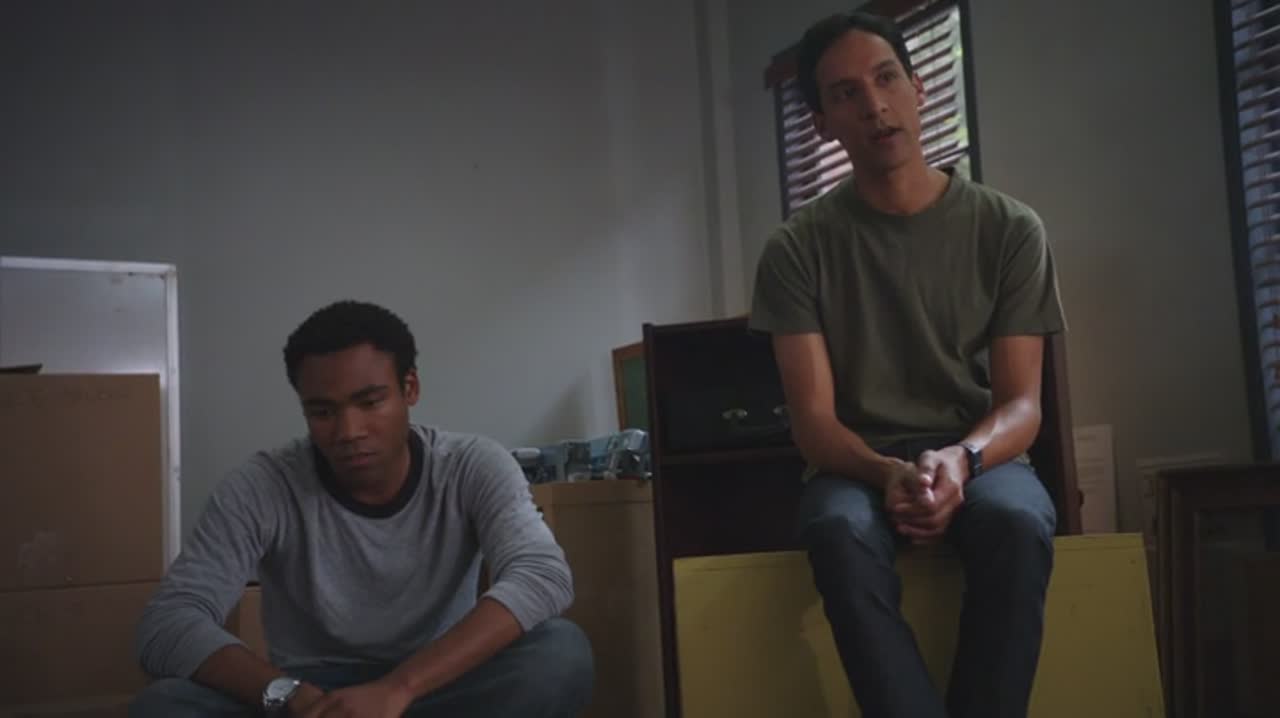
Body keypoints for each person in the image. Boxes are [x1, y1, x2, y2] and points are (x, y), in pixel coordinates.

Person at [749, 11, 1065, 718]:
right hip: (854, 464)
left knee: (1018, 525)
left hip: (981, 454)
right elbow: (814, 425)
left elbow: (1021, 406)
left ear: (920, 89)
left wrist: (962, 459)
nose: (875, 105)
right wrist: (886, 472)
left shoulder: (1011, 229)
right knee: (837, 532)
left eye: (886, 78)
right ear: (822, 124)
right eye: (846, 93)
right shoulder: (795, 250)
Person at [131, 300, 593, 717]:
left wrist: (398, 688)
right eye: (323, 412)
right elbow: (168, 622)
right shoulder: (262, 486)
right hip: (312, 699)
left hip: (437, 684)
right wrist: (288, 694)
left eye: (370, 402)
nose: (349, 431)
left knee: (560, 654)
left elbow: (542, 575)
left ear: (410, 388)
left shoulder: (472, 465)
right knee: (165, 705)